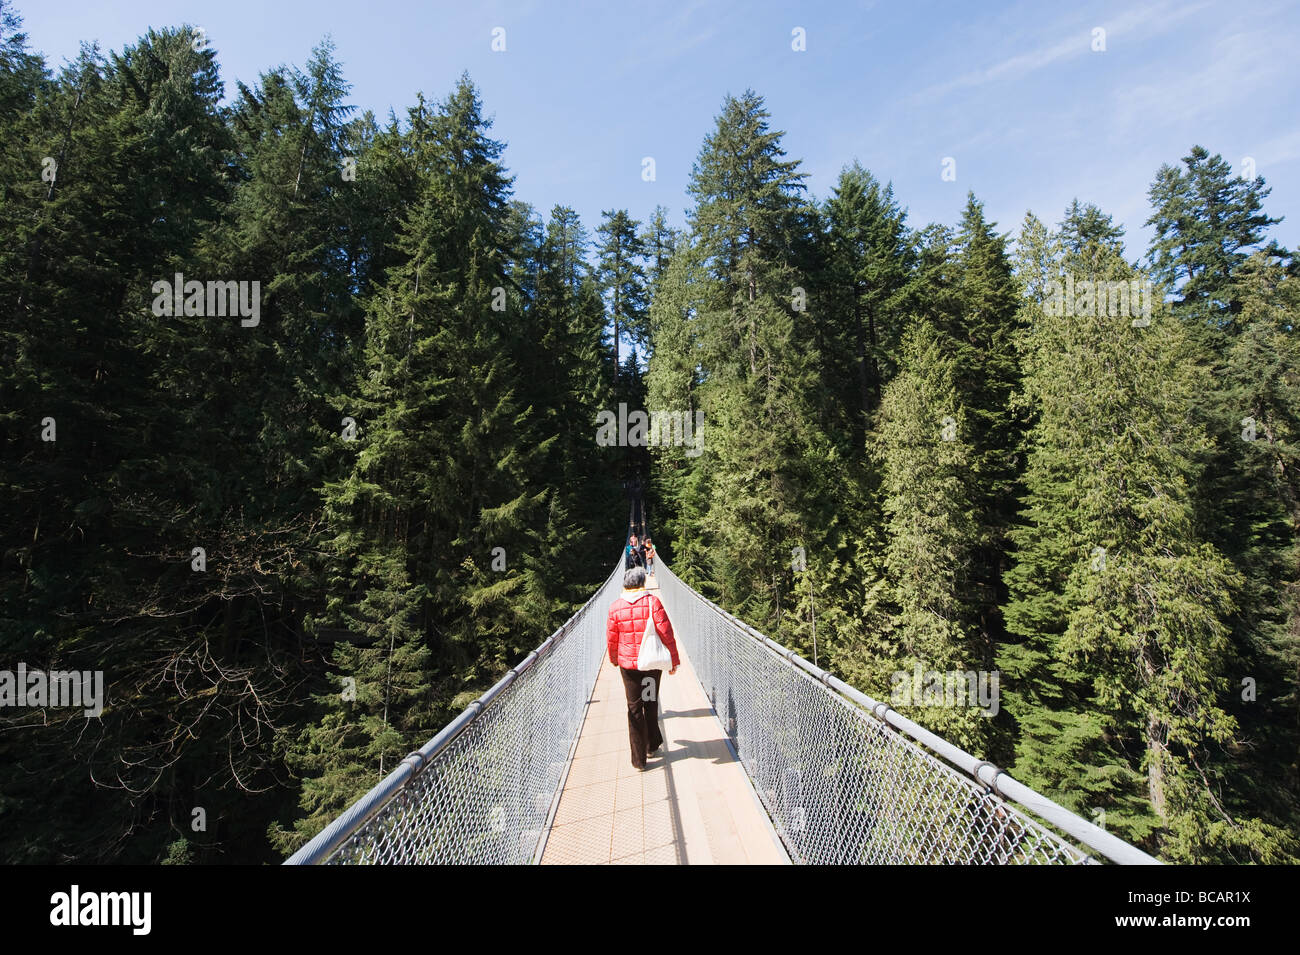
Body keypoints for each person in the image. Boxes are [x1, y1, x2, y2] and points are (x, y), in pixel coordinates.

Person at [606, 566, 679, 770]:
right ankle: (651, 744)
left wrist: (614, 659)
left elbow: (612, 639)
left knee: (634, 708)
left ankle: (638, 760)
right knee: (650, 701)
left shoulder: (615, 607)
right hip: (650, 665)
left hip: (629, 668)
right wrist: (673, 660)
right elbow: (666, 632)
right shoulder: (652, 602)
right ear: (642, 583)